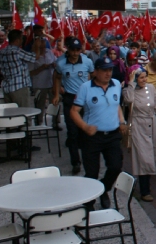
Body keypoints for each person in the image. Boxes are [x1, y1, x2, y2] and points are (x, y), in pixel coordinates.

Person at [71, 56, 128, 209]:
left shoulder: (116, 84)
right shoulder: (85, 88)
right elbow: (74, 111)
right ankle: (89, 202)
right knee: (91, 172)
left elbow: (116, 105)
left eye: (110, 70)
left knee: (115, 167)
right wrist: (84, 127)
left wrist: (122, 121)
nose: (108, 73)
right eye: (104, 70)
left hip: (112, 135)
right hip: (92, 137)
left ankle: (103, 189)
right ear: (95, 71)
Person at [53, 37, 96, 174]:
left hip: (85, 100)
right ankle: (75, 162)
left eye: (78, 49)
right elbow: (57, 77)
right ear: (68, 49)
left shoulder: (87, 61)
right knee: (72, 132)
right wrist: (56, 94)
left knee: (85, 131)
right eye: (73, 49)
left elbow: (93, 75)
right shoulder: (60, 63)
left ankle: (88, 158)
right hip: (70, 99)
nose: (76, 52)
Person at [123, 67, 156, 202]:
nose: (144, 80)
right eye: (141, 78)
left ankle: (147, 186)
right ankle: (144, 190)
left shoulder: (151, 88)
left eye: (145, 77)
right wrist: (131, 83)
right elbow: (128, 100)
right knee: (143, 157)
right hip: (138, 125)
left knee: (151, 156)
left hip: (152, 124)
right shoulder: (129, 90)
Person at [0, 29, 36, 107]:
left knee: (11, 114)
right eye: (21, 39)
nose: (22, 41)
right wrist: (36, 46)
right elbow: (34, 57)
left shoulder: (1, 52)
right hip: (20, 87)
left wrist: (2, 71)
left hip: (7, 88)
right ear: (17, 40)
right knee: (23, 113)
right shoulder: (17, 51)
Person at [29, 35, 56, 125]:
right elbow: (30, 72)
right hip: (39, 83)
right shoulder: (33, 56)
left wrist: (54, 65)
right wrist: (42, 68)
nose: (44, 48)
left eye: (45, 46)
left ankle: (56, 122)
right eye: (42, 47)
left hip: (51, 82)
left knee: (55, 103)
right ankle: (39, 121)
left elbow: (55, 61)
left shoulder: (49, 52)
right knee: (40, 104)